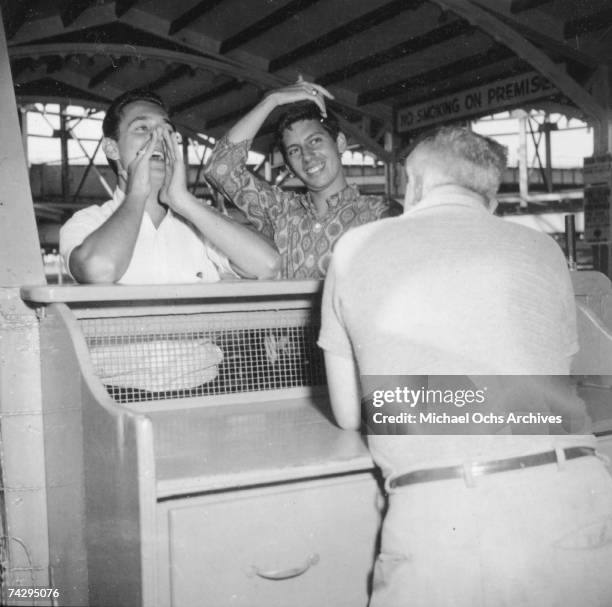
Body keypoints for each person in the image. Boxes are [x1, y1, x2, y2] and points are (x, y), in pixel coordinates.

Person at [318, 126, 612, 606]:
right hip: (578, 497)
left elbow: (350, 413)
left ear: (413, 186)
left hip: (447, 514)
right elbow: (544, 389)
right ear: (491, 200)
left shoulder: (353, 248)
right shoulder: (544, 250)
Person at [60, 89, 280, 284]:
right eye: (142, 128)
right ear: (111, 148)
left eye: (167, 130)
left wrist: (183, 201)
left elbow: (268, 264)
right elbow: (99, 270)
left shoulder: (199, 224)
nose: (158, 138)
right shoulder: (88, 222)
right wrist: (137, 194)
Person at [204, 78, 396, 279]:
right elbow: (219, 169)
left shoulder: (379, 213)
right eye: (295, 150)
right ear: (289, 167)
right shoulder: (281, 211)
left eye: (315, 140)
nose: (307, 155)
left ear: (339, 143)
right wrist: (272, 100)